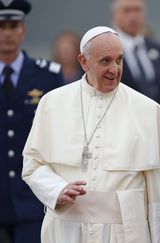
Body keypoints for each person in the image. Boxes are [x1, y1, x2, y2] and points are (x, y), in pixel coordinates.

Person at [22, 26, 160, 243]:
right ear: (84, 62)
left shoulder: (147, 110)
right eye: (105, 61)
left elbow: (157, 197)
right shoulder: (52, 103)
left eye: (119, 60)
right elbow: (32, 165)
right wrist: (56, 189)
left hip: (126, 234)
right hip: (68, 230)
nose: (115, 69)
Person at [0, 0, 64, 242]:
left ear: (23, 30)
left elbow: (60, 133)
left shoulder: (47, 76)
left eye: (13, 25)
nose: (6, 32)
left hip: (33, 199)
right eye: (1, 26)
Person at [111, 0, 160, 102]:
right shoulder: (106, 52)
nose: (133, 16)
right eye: (126, 10)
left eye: (137, 10)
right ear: (114, 15)